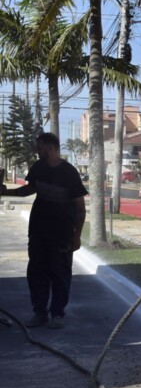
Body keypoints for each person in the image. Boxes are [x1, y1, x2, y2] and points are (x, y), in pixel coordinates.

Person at [0, 132, 87, 329]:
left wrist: (77, 236)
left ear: (50, 148)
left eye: (40, 148)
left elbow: (80, 208)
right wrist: (6, 192)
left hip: (62, 233)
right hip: (38, 231)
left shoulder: (69, 172)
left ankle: (57, 314)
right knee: (37, 272)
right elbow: (29, 189)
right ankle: (39, 313)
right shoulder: (38, 168)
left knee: (60, 274)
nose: (37, 152)